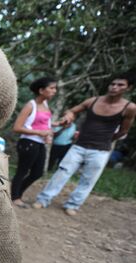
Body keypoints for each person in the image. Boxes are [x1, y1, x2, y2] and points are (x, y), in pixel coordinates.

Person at [34, 73, 136, 215]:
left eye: (120, 85)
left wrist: (107, 139)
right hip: (79, 146)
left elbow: (124, 131)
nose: (114, 87)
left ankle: (73, 205)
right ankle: (43, 199)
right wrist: (69, 115)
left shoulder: (129, 108)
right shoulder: (93, 101)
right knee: (62, 172)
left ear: (128, 88)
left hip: (101, 150)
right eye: (113, 84)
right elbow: (72, 110)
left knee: (88, 179)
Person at [10, 76, 57, 208]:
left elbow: (43, 123)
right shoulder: (30, 105)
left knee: (38, 172)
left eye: (55, 88)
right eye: (52, 88)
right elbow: (17, 127)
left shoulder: (46, 105)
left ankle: (17, 193)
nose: (54, 91)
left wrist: (49, 132)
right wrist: (40, 133)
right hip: (28, 143)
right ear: (41, 90)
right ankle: (15, 197)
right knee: (22, 170)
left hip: (40, 143)